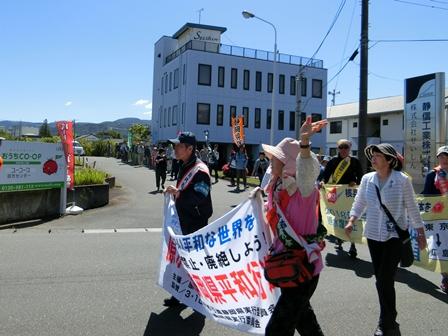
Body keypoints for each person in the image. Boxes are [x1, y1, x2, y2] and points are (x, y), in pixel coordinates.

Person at [344, 143, 427, 336]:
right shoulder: (367, 179)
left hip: (394, 237)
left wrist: (421, 233)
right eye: (372, 156)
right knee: (382, 280)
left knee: (384, 280)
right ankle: (390, 318)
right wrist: (351, 220)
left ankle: (385, 323)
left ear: (389, 160)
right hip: (373, 235)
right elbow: (360, 201)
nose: (373, 159)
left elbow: (412, 207)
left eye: (378, 156)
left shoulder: (401, 180)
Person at [262, 116, 328, 336]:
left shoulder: (304, 189)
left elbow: (308, 168)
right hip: (284, 263)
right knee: (304, 321)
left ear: (289, 163)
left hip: (302, 266)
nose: (270, 161)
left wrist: (305, 144)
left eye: (276, 158)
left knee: (277, 329)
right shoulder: (277, 186)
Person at [163, 132, 213, 307]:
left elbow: (200, 196)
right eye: (175, 145)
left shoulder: (200, 170)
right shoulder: (184, 164)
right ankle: (180, 295)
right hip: (183, 219)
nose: (174, 149)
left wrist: (178, 193)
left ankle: (199, 298)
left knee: (194, 262)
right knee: (182, 260)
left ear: (190, 148)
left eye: (178, 146)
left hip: (195, 222)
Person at [321, 139, 363, 257]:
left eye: (346, 147)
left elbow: (360, 177)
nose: (343, 150)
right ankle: (339, 237)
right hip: (336, 194)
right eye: (341, 147)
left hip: (349, 194)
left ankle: (353, 245)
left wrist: (354, 181)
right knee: (338, 216)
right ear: (337, 148)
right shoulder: (333, 161)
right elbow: (325, 176)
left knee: (351, 218)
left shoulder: (354, 161)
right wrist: (322, 183)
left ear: (350, 148)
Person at [421, 145, 448, 294]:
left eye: (446, 156)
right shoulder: (433, 175)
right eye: (441, 157)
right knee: (442, 247)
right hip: (439, 218)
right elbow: (427, 196)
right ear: (438, 158)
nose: (444, 159)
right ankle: (446, 277)